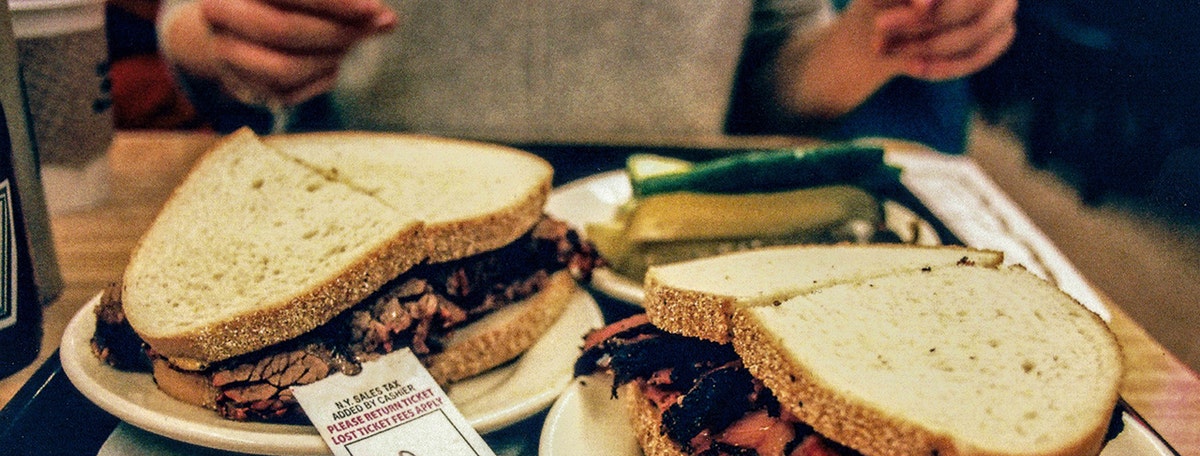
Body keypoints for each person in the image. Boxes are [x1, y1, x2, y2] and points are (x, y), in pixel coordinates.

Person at [155, 0, 1016, 153]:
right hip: (358, 204)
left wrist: (882, 34)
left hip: (671, 237)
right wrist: (213, 34)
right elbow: (188, 32)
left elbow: (770, 79)